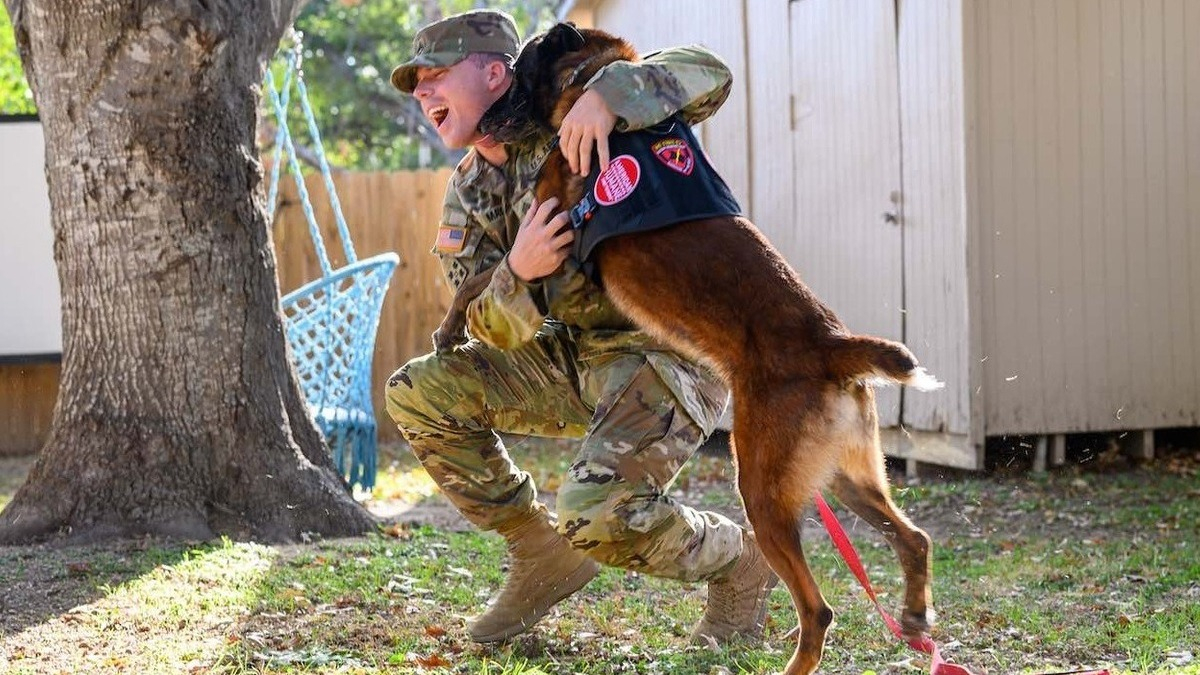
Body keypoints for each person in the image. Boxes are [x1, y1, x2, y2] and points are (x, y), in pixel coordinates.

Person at [384, 9, 776, 646]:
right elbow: (488, 328)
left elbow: (710, 72)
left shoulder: (571, 107)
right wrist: (519, 270)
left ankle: (741, 560)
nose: (423, 91)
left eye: (436, 76)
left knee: (596, 515)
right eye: (417, 83)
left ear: (492, 72)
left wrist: (608, 96)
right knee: (417, 392)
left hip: (665, 352)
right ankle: (538, 550)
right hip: (570, 354)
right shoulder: (468, 192)